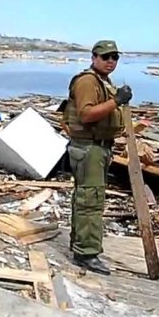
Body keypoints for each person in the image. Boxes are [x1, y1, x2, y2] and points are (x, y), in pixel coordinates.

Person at [62, 40, 133, 275]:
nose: (111, 61)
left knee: (88, 198)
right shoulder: (87, 81)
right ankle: (86, 253)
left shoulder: (104, 82)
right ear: (94, 58)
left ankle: (81, 246)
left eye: (115, 57)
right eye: (106, 57)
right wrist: (117, 101)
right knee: (90, 200)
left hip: (98, 147)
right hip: (88, 148)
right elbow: (86, 115)